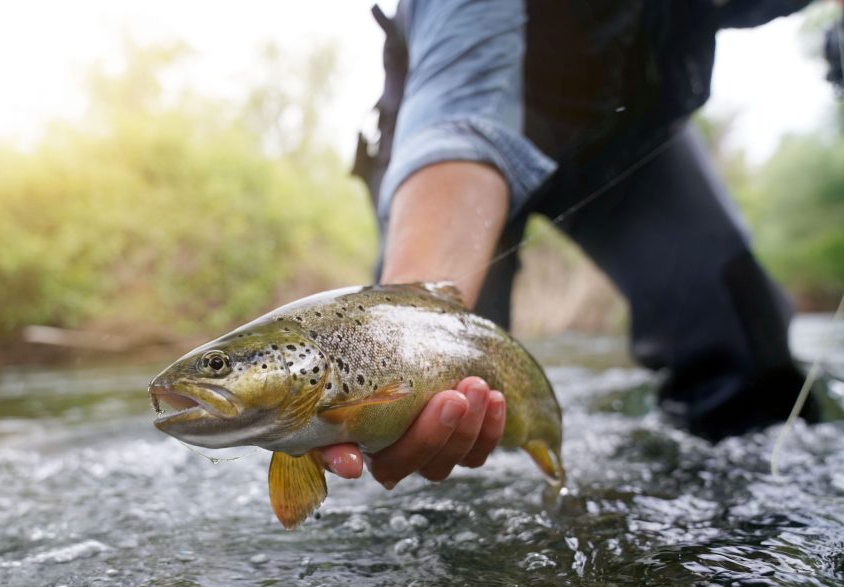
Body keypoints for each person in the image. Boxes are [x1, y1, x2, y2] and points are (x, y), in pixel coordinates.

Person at [317, 0, 824, 486]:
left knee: (740, 344)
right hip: (457, 140)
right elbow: (458, 117)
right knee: (424, 412)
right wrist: (399, 342)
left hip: (628, 133)